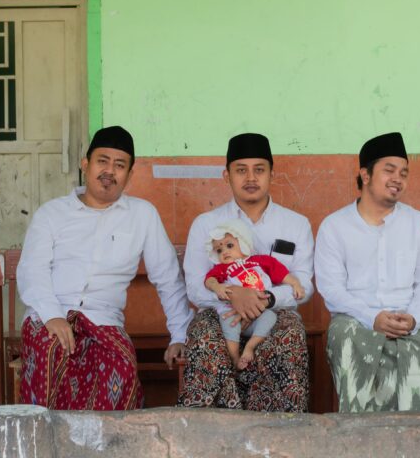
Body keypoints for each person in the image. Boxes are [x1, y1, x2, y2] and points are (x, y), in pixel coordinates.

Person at [17, 126, 193, 410]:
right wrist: (53, 316)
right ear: (85, 164)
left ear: (129, 175)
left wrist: (179, 335)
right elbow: (32, 271)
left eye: (119, 165)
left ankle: (110, 439)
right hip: (49, 315)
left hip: (104, 321)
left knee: (120, 367)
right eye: (102, 161)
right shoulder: (52, 213)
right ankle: (46, 437)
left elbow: (168, 278)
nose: (109, 171)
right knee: (52, 353)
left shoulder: (142, 215)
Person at [315, 132, 420, 412]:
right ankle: (360, 433)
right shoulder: (335, 226)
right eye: (389, 170)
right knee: (347, 345)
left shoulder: (418, 223)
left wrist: (413, 318)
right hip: (355, 317)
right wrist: (372, 318)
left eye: (403, 173)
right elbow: (332, 289)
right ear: (365, 175)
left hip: (409, 316)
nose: (397, 179)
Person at [179, 132, 314, 411]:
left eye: (259, 170)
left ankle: (280, 431)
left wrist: (263, 298)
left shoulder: (296, 224)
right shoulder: (206, 224)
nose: (251, 178)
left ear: (272, 174)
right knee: (204, 338)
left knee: (289, 337)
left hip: (275, 312)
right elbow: (194, 287)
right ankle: (211, 430)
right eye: (241, 170)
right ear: (226, 176)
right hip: (219, 312)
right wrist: (233, 295)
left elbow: (304, 285)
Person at [204, 218, 305, 370]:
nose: (224, 252)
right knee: (229, 322)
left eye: (229, 245)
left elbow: (281, 273)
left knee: (270, 317)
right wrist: (217, 287)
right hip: (234, 312)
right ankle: (235, 358)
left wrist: (295, 283)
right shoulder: (222, 269)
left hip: (261, 310)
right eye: (219, 250)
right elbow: (209, 280)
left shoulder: (260, 261)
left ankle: (249, 347)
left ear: (243, 242)